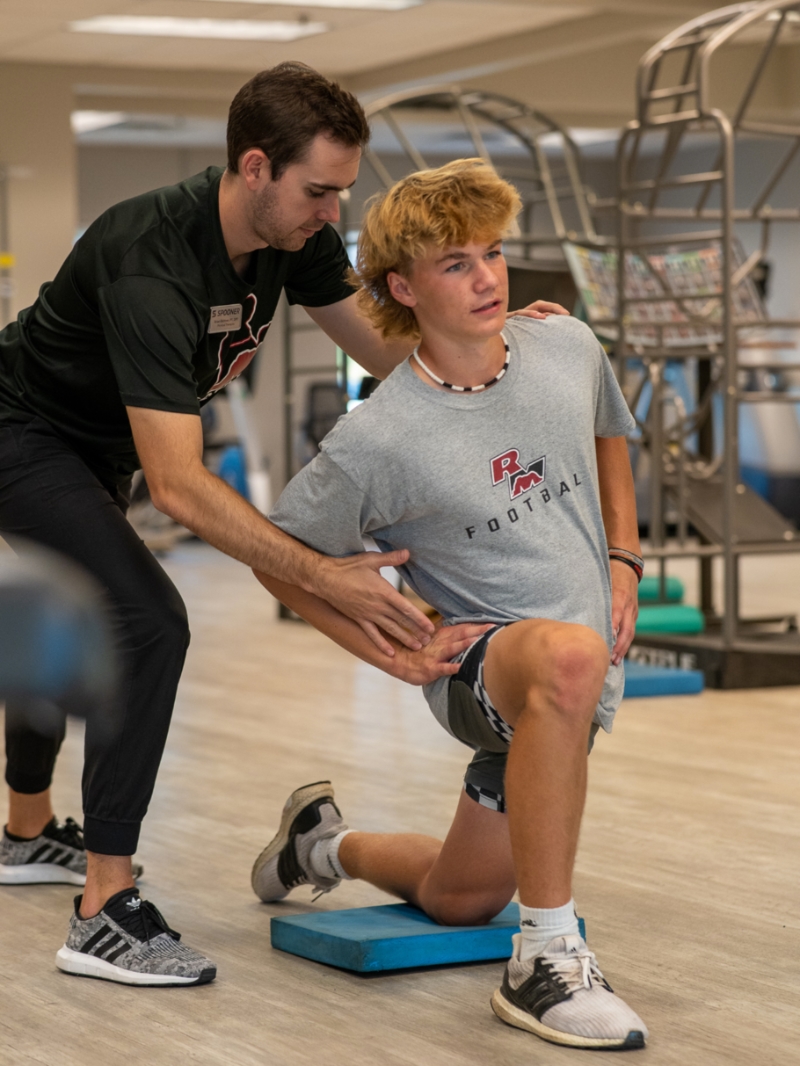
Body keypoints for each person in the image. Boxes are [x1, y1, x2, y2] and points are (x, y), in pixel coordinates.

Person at [0, 64, 563, 987]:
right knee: (146, 619)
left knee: (73, 605)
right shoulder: (151, 258)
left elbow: (391, 351)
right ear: (253, 168)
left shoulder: (293, 239)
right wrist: (317, 570)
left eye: (343, 190)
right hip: (18, 429)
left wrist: (504, 339)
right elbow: (181, 486)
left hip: (97, 444)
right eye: (318, 191)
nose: (332, 212)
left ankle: (25, 836)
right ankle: (104, 907)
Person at [251, 159, 648, 1050]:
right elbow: (279, 559)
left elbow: (608, 432)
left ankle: (319, 844)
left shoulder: (565, 347)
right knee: (566, 661)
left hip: (571, 677)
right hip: (485, 670)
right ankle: (542, 960)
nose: (489, 279)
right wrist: (392, 648)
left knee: (460, 896)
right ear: (403, 286)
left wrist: (622, 554)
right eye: (456, 263)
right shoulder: (378, 436)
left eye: (495, 254)